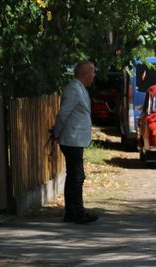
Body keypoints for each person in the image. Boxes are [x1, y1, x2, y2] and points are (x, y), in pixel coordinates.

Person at [53, 60, 98, 224]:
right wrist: (56, 132)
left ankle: (72, 211)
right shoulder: (73, 89)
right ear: (85, 74)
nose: (94, 76)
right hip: (72, 139)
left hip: (76, 139)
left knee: (74, 175)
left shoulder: (80, 88)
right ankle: (77, 212)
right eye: (92, 72)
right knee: (77, 176)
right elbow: (63, 113)